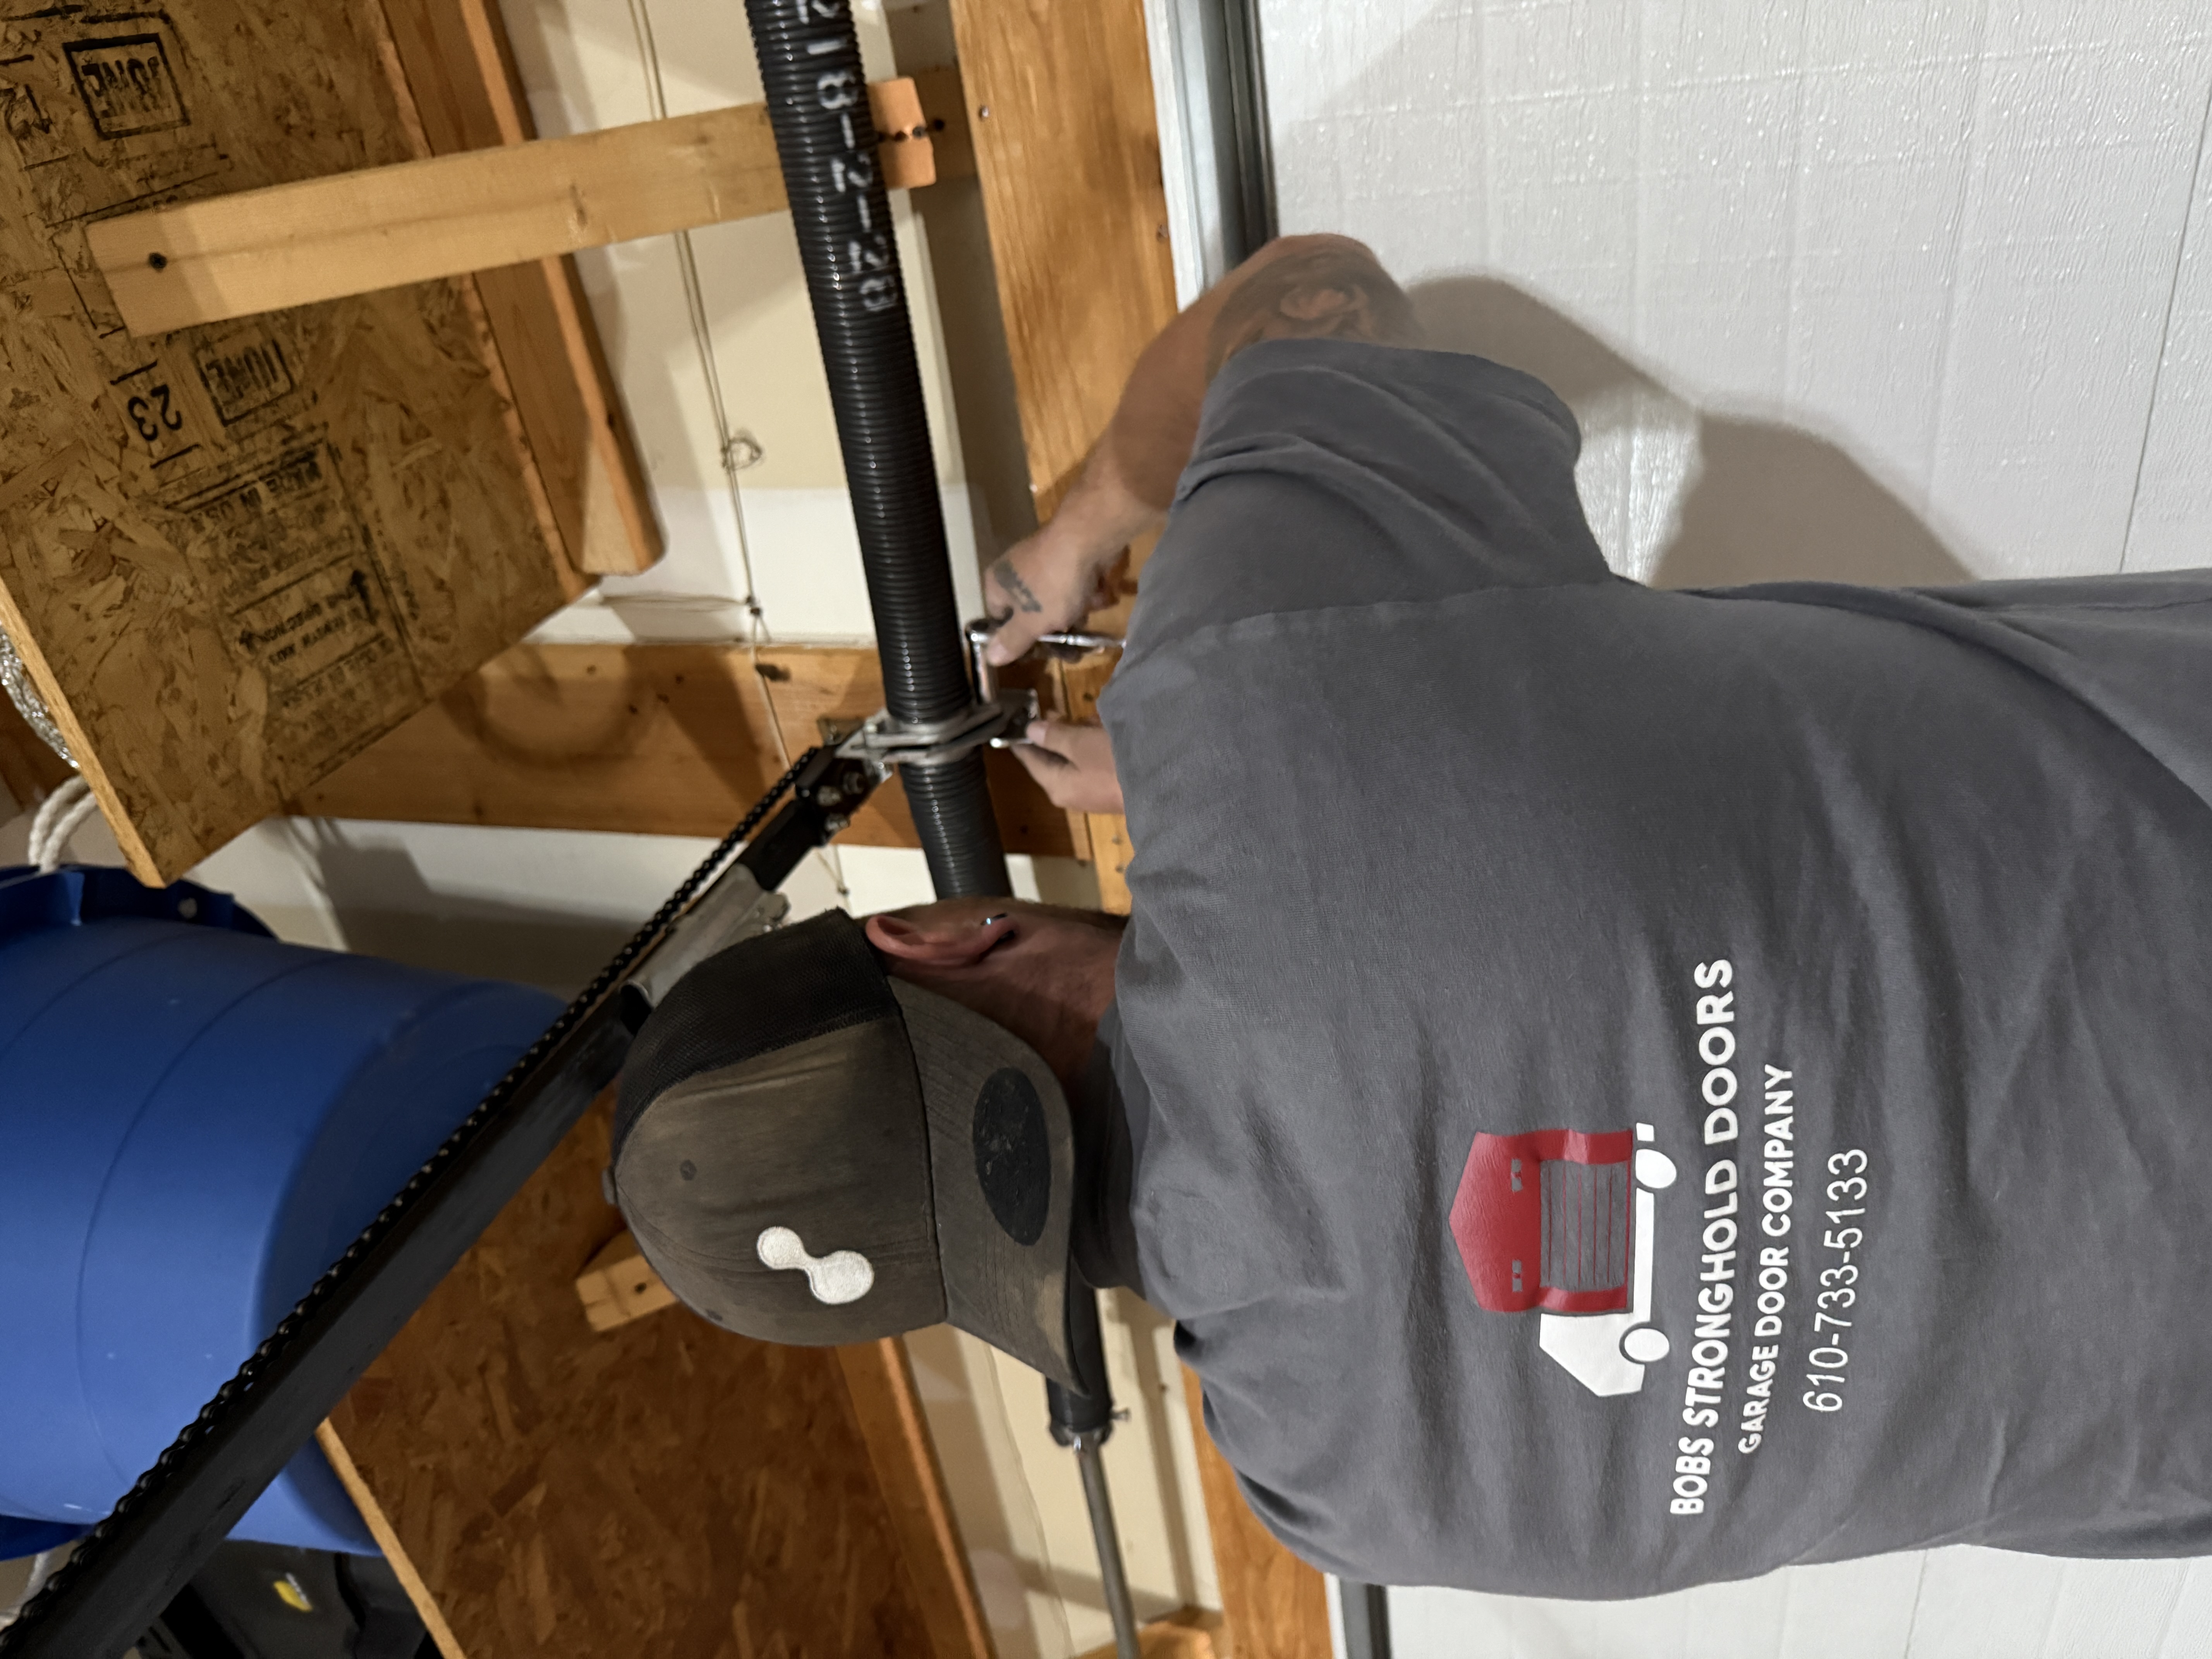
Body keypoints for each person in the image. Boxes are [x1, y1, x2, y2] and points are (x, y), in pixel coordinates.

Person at [611, 235, 2212, 1598]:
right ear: (938, 935)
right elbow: (1313, 297)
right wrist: (1084, 533)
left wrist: (1236, 787)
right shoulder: (1264, 709)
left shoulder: (1344, 1500)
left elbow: (1400, 1024)